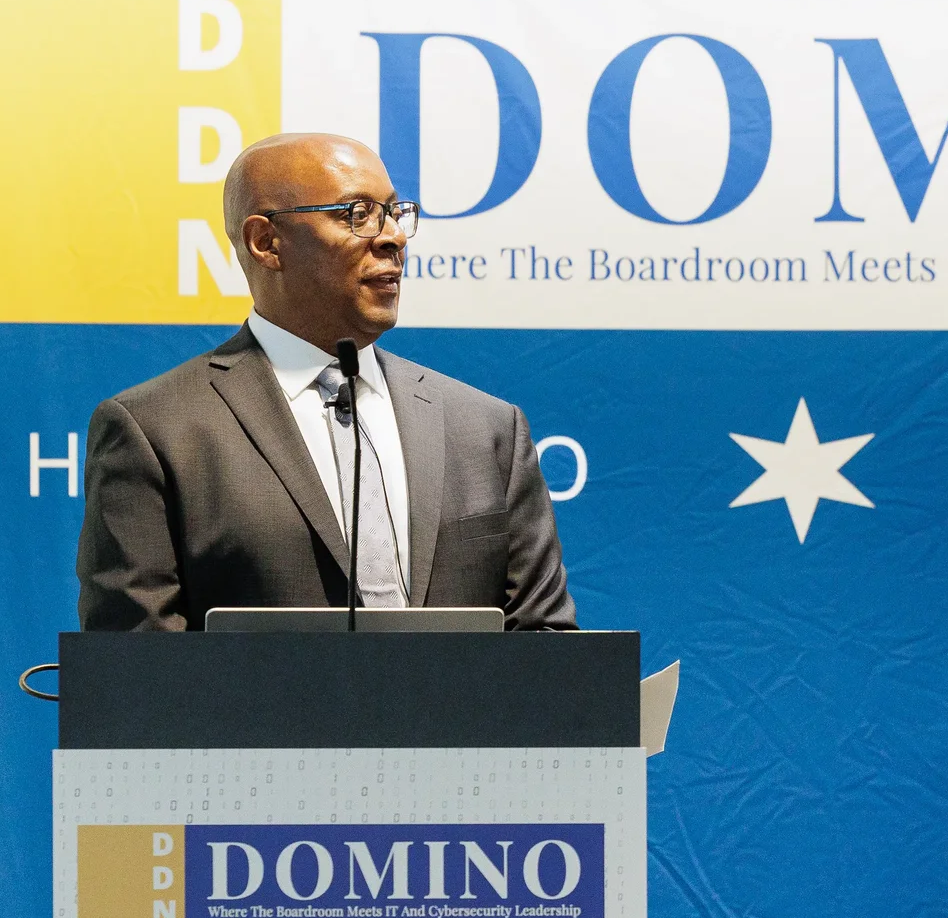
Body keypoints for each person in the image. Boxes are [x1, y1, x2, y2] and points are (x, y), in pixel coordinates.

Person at [76, 131, 576, 630]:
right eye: (358, 214)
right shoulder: (156, 431)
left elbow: (548, 643)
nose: (393, 237)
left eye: (394, 213)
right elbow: (136, 664)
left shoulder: (487, 428)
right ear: (266, 242)